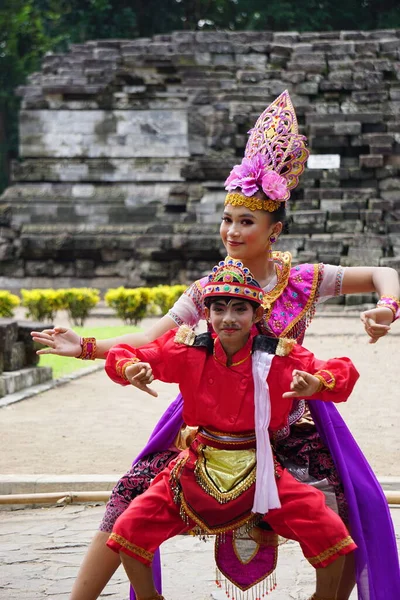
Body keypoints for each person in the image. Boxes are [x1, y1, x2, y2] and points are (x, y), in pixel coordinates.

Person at [31, 90, 400, 600]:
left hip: (288, 416)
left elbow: (383, 272)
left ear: (275, 230)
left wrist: (388, 307)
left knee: (353, 499)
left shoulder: (305, 280)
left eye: (246, 221)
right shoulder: (207, 291)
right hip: (207, 420)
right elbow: (148, 340)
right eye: (227, 220)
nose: (231, 230)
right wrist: (87, 344)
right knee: (129, 495)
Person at [104, 258, 359, 600]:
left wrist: (316, 382)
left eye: (239, 309)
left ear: (256, 315)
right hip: (197, 465)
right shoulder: (187, 349)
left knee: (331, 534)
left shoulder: (278, 356)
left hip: (263, 469)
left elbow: (341, 369)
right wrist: (131, 367)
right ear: (206, 314)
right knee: (128, 530)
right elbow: (128, 352)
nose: (228, 318)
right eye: (219, 308)